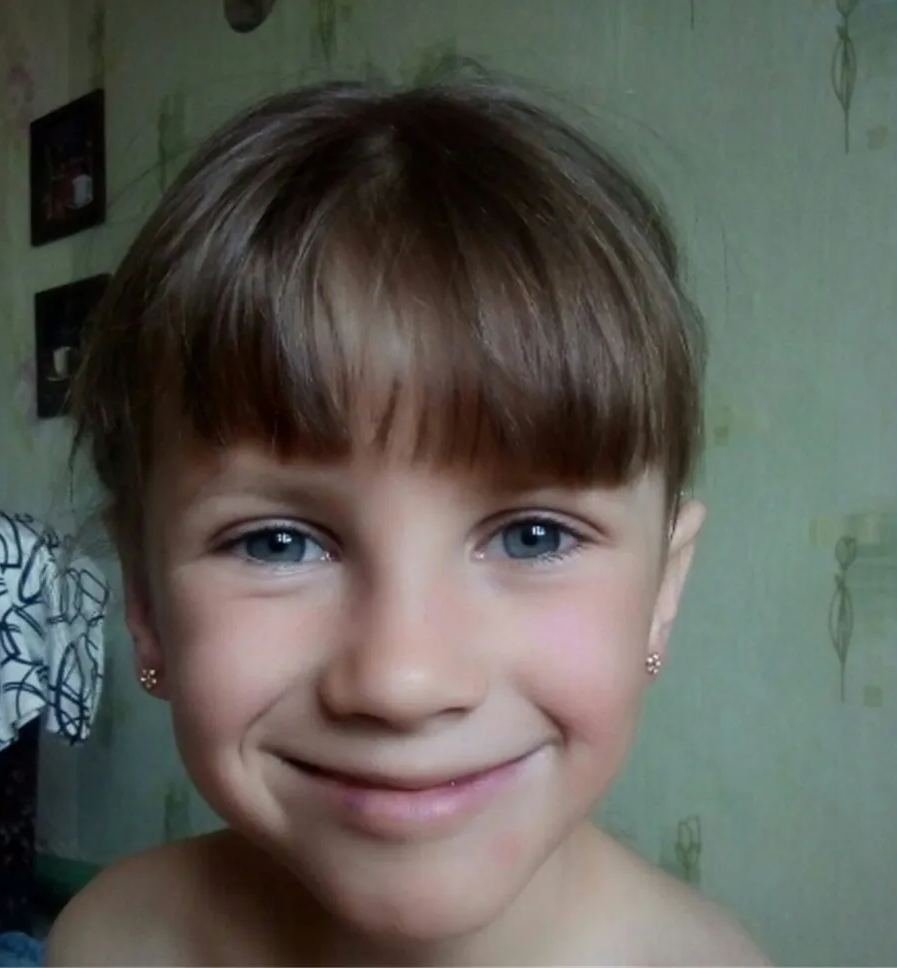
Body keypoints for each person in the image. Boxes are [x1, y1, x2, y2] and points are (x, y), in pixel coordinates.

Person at [45, 79, 768, 967]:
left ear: (663, 593)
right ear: (145, 603)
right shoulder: (106, 941)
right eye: (277, 542)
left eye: (534, 535)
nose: (402, 681)